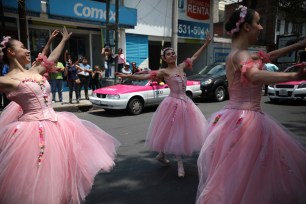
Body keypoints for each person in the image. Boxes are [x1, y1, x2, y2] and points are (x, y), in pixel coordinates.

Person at [196, 6, 306, 204]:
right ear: (246, 27)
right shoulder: (240, 55)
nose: (261, 27)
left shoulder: (242, 53)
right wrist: (293, 75)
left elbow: (268, 56)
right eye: (257, 22)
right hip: (245, 121)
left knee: (241, 175)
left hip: (239, 117)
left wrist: (297, 45)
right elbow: (254, 76)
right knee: (245, 174)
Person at [0, 27, 120, 204]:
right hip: (32, 133)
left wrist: (63, 41)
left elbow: (52, 58)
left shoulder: (34, 71)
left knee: (59, 174)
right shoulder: (7, 80)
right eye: (23, 47)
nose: (27, 50)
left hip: (57, 126)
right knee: (38, 177)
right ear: (11, 52)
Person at [116, 37, 211, 178]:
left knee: (179, 130)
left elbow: (195, 56)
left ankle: (161, 154)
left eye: (173, 53)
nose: (172, 55)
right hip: (172, 103)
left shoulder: (181, 67)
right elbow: (145, 76)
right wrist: (127, 75)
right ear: (164, 58)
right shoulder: (164, 72)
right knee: (174, 130)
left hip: (186, 103)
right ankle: (179, 163)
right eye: (168, 54)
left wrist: (206, 44)